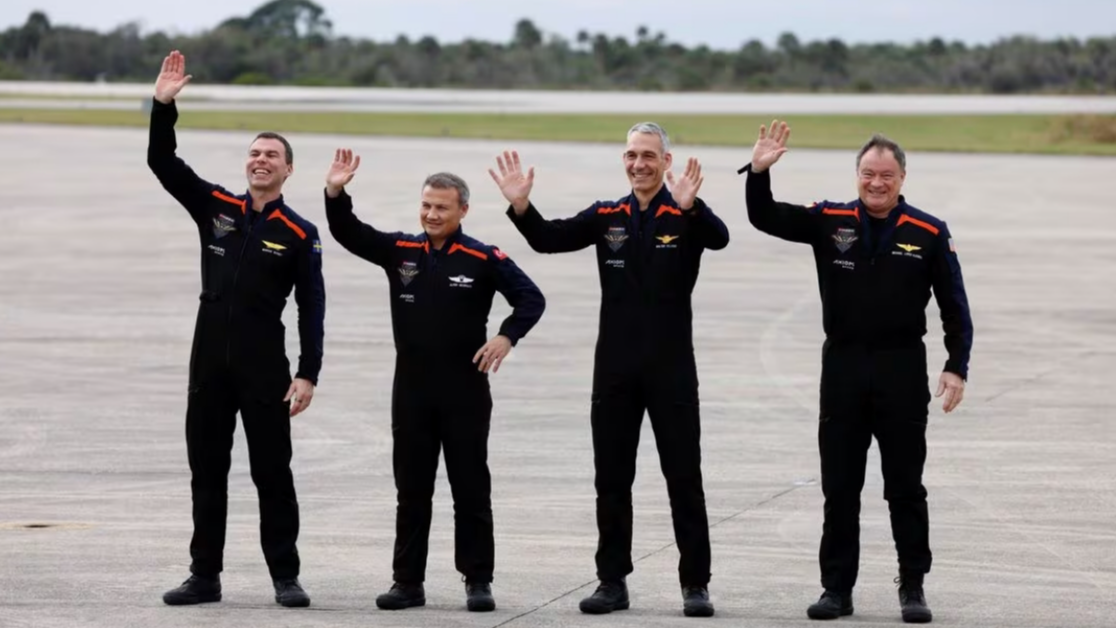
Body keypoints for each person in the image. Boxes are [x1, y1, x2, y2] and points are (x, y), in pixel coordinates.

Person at [489, 122, 729, 618]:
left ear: (666, 160)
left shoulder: (684, 214)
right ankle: (612, 581)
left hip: (671, 368)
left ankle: (695, 584)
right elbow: (549, 239)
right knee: (612, 479)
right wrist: (520, 206)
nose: (638, 163)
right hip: (615, 368)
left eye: (648, 155)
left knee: (683, 477)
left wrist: (692, 207)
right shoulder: (608, 216)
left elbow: (720, 239)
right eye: (630, 155)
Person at [740, 121, 973, 624]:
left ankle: (912, 586)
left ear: (902, 177)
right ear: (857, 176)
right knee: (840, 486)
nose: (876, 183)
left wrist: (957, 366)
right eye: (868, 173)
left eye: (886, 175)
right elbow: (764, 217)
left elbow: (954, 306)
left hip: (901, 370)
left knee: (905, 486)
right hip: (843, 368)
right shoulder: (830, 220)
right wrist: (758, 173)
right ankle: (836, 589)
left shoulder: (929, 232)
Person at [321, 148, 545, 613]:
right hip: (412, 392)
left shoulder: (482, 257)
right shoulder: (401, 251)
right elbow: (349, 233)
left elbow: (531, 298)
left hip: (465, 389)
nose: (431, 214)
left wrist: (506, 337)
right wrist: (336, 193)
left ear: (463, 210)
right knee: (412, 490)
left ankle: (478, 579)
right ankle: (407, 582)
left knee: (470, 488)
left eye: (442, 207)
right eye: (426, 205)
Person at [146, 50, 324, 609]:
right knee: (207, 471)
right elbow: (163, 163)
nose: (261, 161)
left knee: (273, 472)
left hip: (263, 364)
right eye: (254, 153)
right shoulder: (217, 207)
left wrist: (308, 372)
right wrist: (162, 107)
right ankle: (205, 575)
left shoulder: (299, 231)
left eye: (271, 155)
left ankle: (285, 576)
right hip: (209, 362)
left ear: (288, 169)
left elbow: (312, 306)